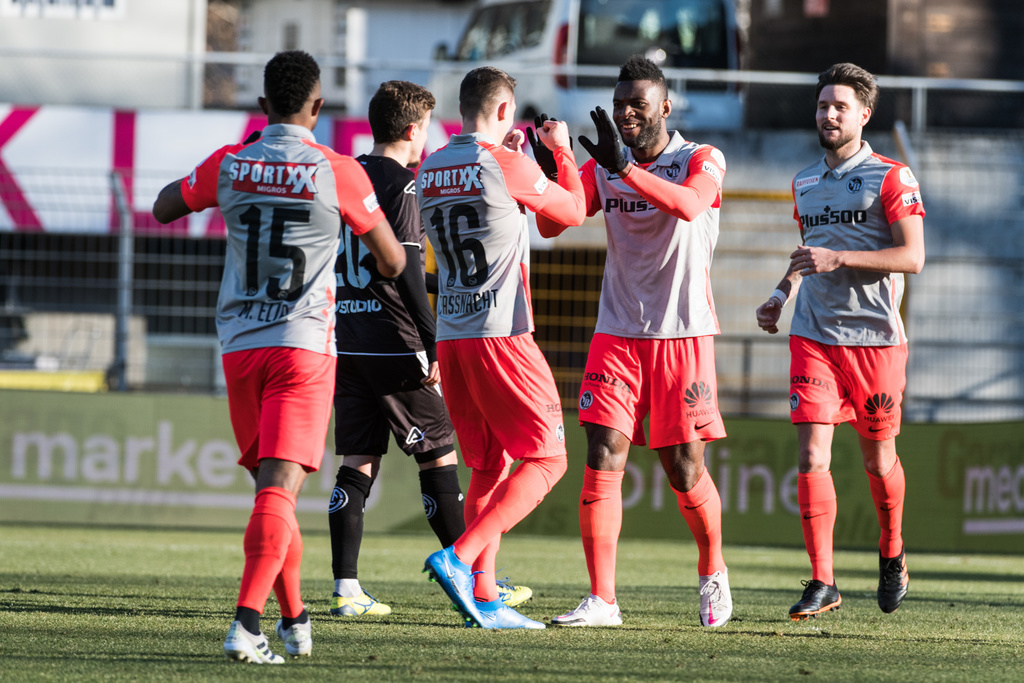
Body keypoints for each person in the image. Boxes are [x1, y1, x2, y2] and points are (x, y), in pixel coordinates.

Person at [152, 50, 405, 663]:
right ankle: (245, 625)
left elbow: (163, 206)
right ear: (318, 107)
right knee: (279, 492)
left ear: (262, 106)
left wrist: (212, 189)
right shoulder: (337, 171)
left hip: (241, 348)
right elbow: (394, 261)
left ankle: (295, 618)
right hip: (303, 345)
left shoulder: (231, 163)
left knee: (273, 491)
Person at [536, 55, 733, 628]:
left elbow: (689, 205)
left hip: (683, 335)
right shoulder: (605, 164)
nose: (624, 113)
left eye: (637, 105)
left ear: (664, 109)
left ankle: (713, 571)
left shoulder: (701, 158)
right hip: (616, 333)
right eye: (619, 103)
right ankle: (603, 599)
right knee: (601, 454)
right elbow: (555, 225)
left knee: (683, 467)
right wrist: (558, 162)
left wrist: (622, 169)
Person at [327, 80, 530, 617]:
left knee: (357, 463)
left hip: (349, 338)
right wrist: (432, 342)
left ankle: (346, 588)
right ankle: (470, 577)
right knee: (438, 457)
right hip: (397, 343)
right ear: (415, 130)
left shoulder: (347, 175)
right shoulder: (404, 186)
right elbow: (411, 275)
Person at [417, 66, 586, 629]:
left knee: (490, 464)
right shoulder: (507, 162)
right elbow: (573, 213)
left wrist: (514, 157)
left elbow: (486, 202)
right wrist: (559, 152)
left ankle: (484, 595)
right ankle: (460, 559)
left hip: (453, 334)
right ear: (506, 110)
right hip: (502, 332)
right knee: (549, 458)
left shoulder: (433, 163)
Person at [755, 62, 925, 620]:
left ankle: (892, 550)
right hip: (814, 336)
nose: (828, 114)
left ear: (864, 115)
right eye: (823, 104)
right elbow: (811, 256)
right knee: (810, 456)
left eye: (840, 106)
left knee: (879, 462)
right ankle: (823, 580)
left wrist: (841, 257)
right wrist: (782, 294)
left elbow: (913, 258)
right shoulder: (805, 181)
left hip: (875, 341)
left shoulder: (892, 176)